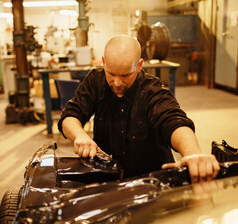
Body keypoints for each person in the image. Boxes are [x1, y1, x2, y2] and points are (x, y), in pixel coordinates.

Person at [58, 35, 220, 182]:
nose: (117, 83)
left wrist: (193, 153)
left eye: (125, 75)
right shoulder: (95, 81)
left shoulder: (151, 90)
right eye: (112, 74)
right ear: (103, 62)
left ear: (139, 65)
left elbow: (172, 120)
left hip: (152, 181)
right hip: (109, 179)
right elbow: (70, 116)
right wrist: (81, 136)